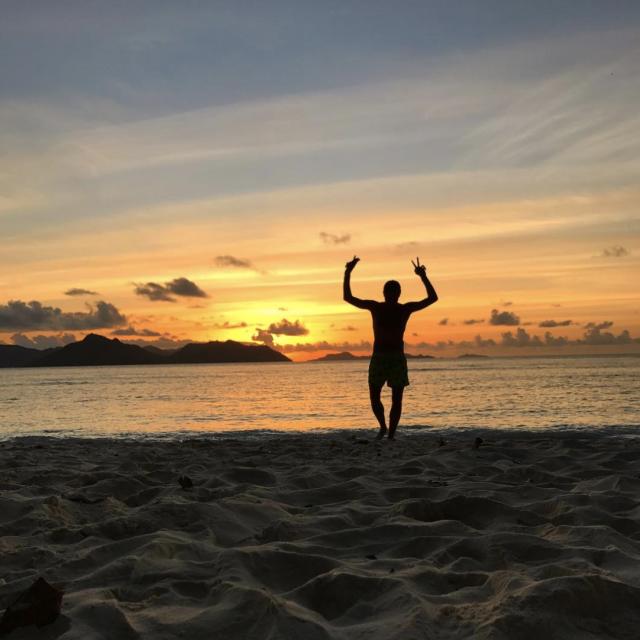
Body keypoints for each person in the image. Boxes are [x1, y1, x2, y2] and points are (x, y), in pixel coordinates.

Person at [343, 256, 438, 440]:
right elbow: (348, 298)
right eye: (391, 290)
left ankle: (389, 432)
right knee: (378, 396)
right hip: (384, 357)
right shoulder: (378, 307)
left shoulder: (402, 309)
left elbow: (433, 298)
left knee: (393, 398)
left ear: (396, 293)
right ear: (386, 293)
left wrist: (348, 272)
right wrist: (422, 276)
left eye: (394, 291)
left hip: (392, 357)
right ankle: (385, 429)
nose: (392, 293)